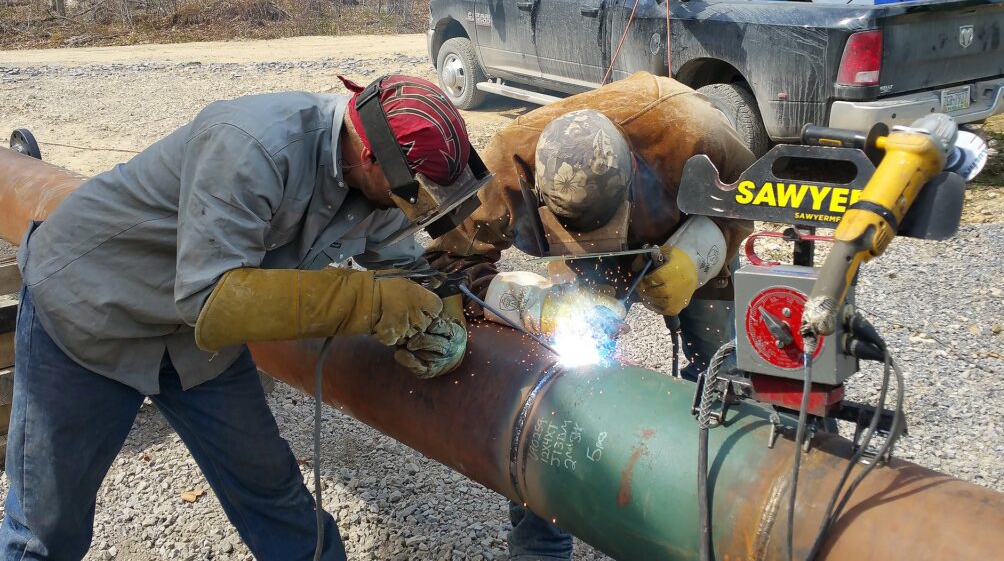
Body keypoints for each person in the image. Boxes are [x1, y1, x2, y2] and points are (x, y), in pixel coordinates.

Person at [1, 74, 487, 560]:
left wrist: (444, 306)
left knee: (273, 496)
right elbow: (209, 298)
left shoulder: (381, 184)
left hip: (193, 344)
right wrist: (370, 302)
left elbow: (401, 262)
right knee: (47, 530)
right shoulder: (251, 144)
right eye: (410, 192)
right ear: (369, 156)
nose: (410, 206)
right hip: (89, 313)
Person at [426, 71, 756, 560]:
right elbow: (450, 267)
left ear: (631, 188)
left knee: (719, 374)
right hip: (582, 262)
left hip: (686, 232)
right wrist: (541, 308)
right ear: (540, 196)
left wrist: (694, 260)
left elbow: (743, 204)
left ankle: (712, 518)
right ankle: (541, 543)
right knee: (558, 386)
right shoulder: (505, 168)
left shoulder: (692, 131)